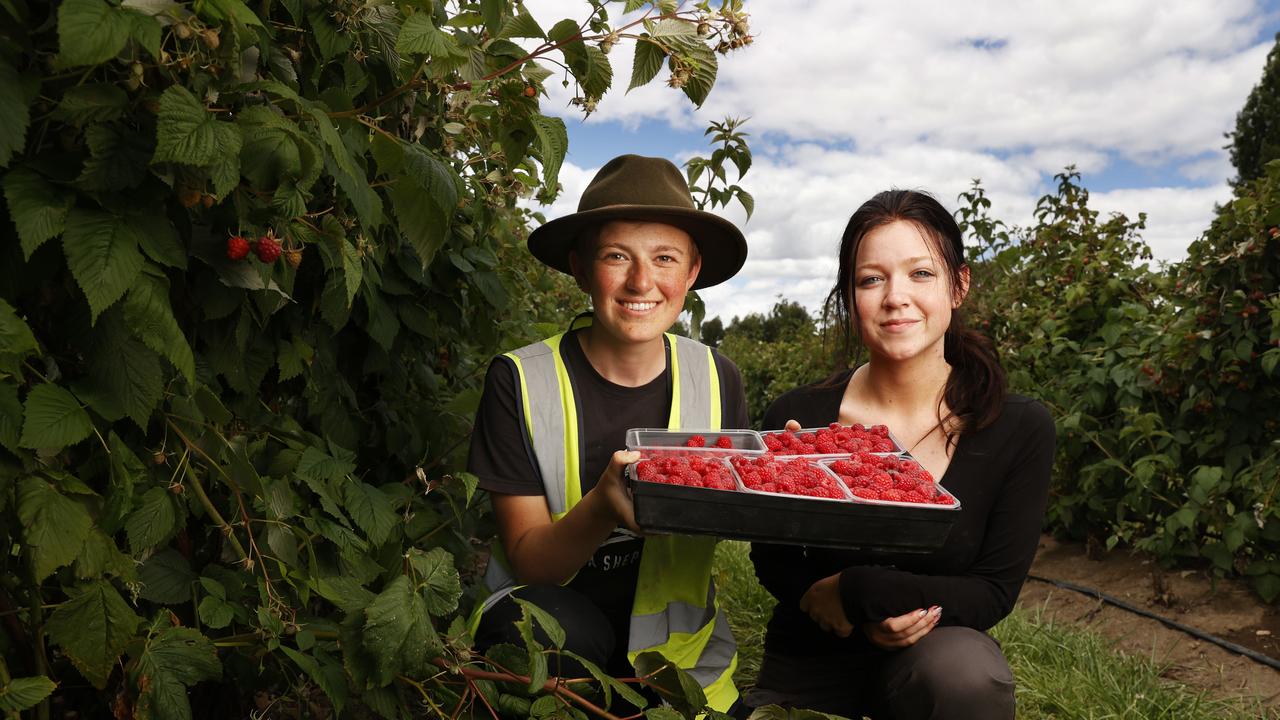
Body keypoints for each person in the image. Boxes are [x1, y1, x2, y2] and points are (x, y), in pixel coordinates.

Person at [745, 190, 1055, 720]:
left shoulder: (1018, 427)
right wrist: (817, 595)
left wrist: (863, 590)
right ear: (850, 296)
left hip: (933, 660)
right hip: (812, 656)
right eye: (871, 279)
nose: (895, 297)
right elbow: (771, 558)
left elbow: (993, 590)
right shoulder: (799, 416)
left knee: (966, 676)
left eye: (921, 274)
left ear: (959, 285)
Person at [467, 155, 751, 714]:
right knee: (552, 637)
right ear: (579, 267)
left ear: (691, 272)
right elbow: (531, 562)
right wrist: (602, 504)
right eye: (617, 256)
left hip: (679, 660)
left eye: (664, 259)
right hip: (555, 635)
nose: (641, 282)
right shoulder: (521, 381)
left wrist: (791, 474)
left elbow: (737, 510)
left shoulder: (718, 377)